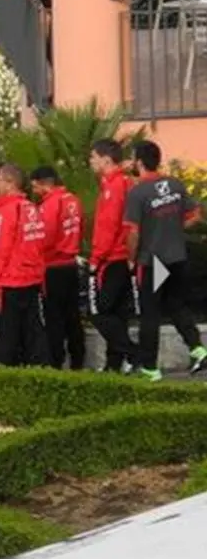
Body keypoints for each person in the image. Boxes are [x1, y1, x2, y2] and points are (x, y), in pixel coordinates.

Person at [123, 140, 207, 381]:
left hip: (153, 261)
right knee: (176, 305)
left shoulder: (138, 192)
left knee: (150, 313)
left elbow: (133, 233)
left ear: (139, 162)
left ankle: (150, 368)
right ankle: (198, 349)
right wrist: (173, 229)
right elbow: (195, 215)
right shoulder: (175, 184)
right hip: (178, 257)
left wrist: (131, 259)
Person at [0, 163, 49, 367]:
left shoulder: (6, 210)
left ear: (9, 182)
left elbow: (0, 247)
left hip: (11, 281)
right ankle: (41, 373)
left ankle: (5, 380)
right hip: (31, 279)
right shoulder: (31, 208)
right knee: (33, 332)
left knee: (8, 335)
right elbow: (40, 243)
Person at [88, 139, 136, 373]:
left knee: (99, 311)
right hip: (121, 256)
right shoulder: (122, 183)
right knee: (116, 313)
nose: (91, 162)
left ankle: (133, 353)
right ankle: (114, 363)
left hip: (113, 257)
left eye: (93, 157)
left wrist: (96, 259)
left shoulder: (114, 187)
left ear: (106, 159)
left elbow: (109, 226)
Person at [30, 165, 86, 369]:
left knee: (54, 319)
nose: (34, 192)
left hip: (52, 267)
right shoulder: (74, 200)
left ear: (44, 184)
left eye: (35, 187)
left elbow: (45, 238)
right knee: (73, 317)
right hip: (70, 264)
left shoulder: (49, 205)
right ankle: (78, 361)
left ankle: (55, 362)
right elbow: (79, 230)